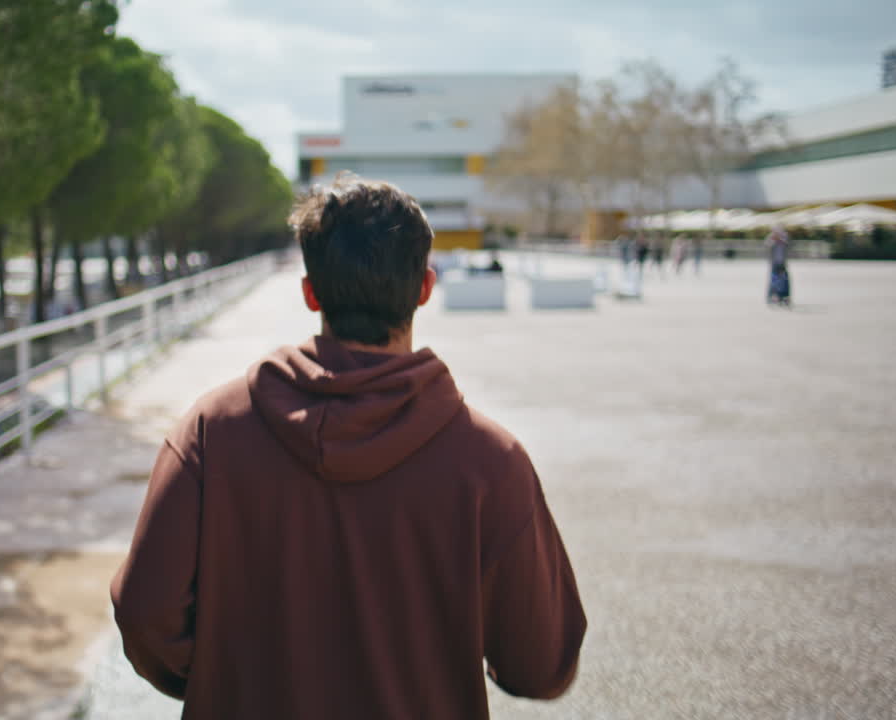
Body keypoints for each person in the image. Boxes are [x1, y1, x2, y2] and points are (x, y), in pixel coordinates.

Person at [110, 177, 587, 720]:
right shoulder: (492, 461)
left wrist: (222, 679)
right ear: (424, 288)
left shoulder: (208, 432)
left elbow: (146, 612)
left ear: (311, 292)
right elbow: (541, 663)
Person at [766, 225, 791, 306]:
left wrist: (781, 240)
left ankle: (784, 296)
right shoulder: (771, 238)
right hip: (774, 263)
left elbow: (788, 245)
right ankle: (772, 296)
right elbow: (767, 245)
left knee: (784, 280)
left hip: (782, 263)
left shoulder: (785, 237)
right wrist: (774, 241)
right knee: (774, 280)